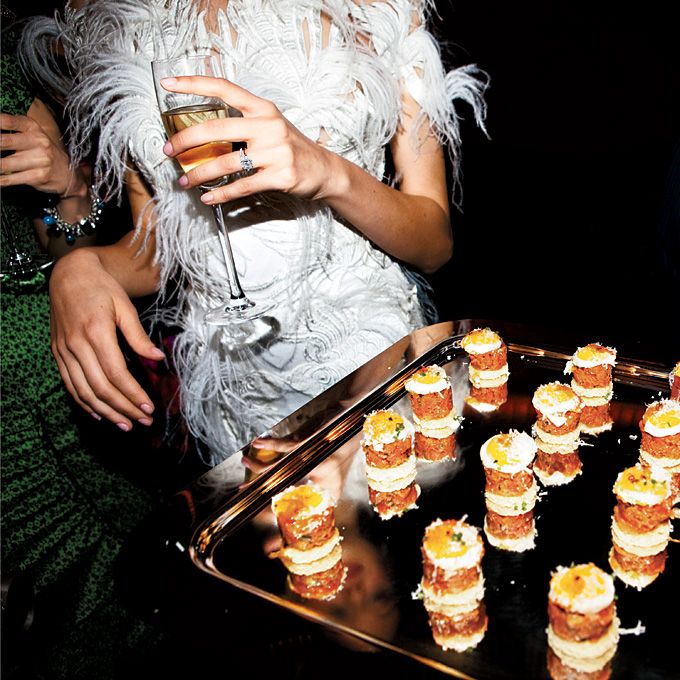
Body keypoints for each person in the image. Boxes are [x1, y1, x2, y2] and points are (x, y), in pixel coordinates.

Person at [23, 0, 488, 467]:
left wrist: (329, 173)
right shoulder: (122, 23)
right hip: (231, 391)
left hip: (365, 368)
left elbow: (435, 243)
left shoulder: (375, 8)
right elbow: (160, 247)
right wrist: (82, 266)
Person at [0, 4, 164, 678]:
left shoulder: (16, 63)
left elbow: (70, 242)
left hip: (47, 352)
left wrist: (64, 185)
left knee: (122, 585)